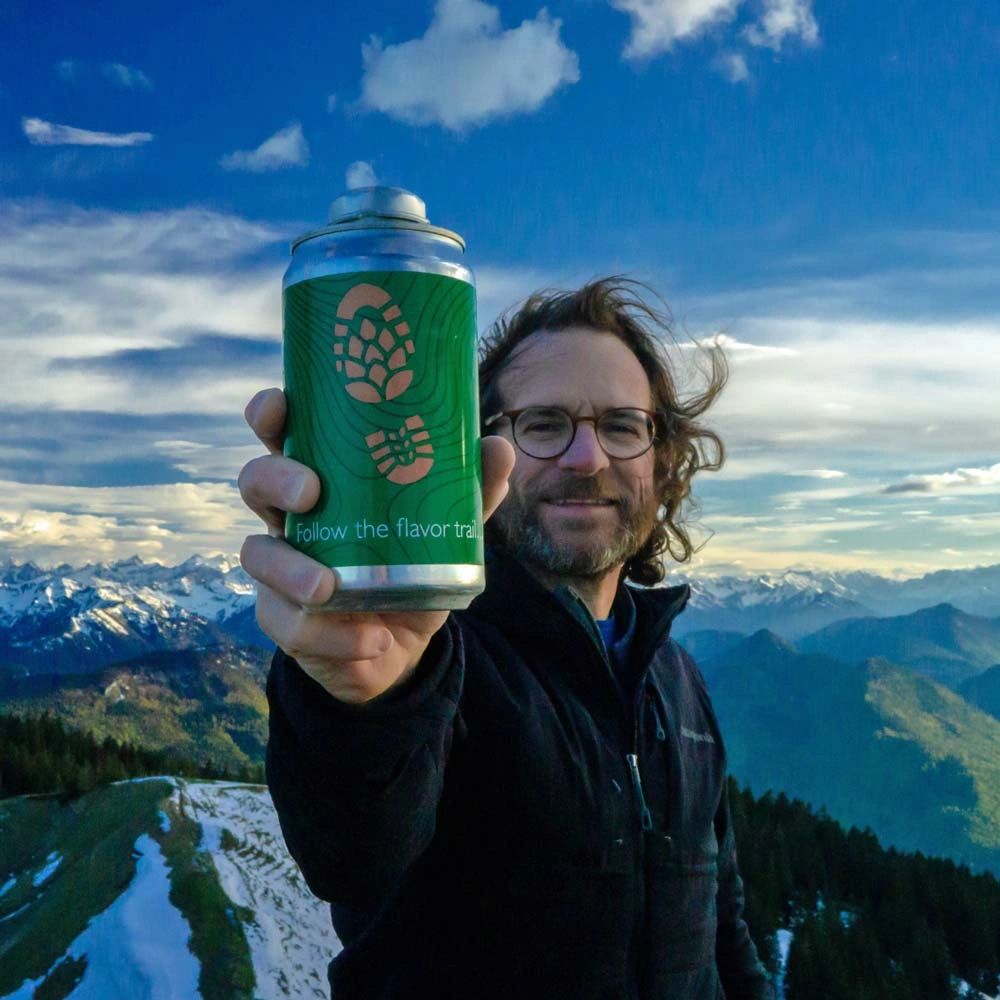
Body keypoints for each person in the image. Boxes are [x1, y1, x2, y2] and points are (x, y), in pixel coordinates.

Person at [238, 276, 774, 999]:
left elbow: (724, 927)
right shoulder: (431, 662)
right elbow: (354, 850)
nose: (587, 460)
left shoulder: (678, 678)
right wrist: (354, 693)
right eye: (545, 425)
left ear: (661, 458)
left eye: (622, 425)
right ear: (475, 455)